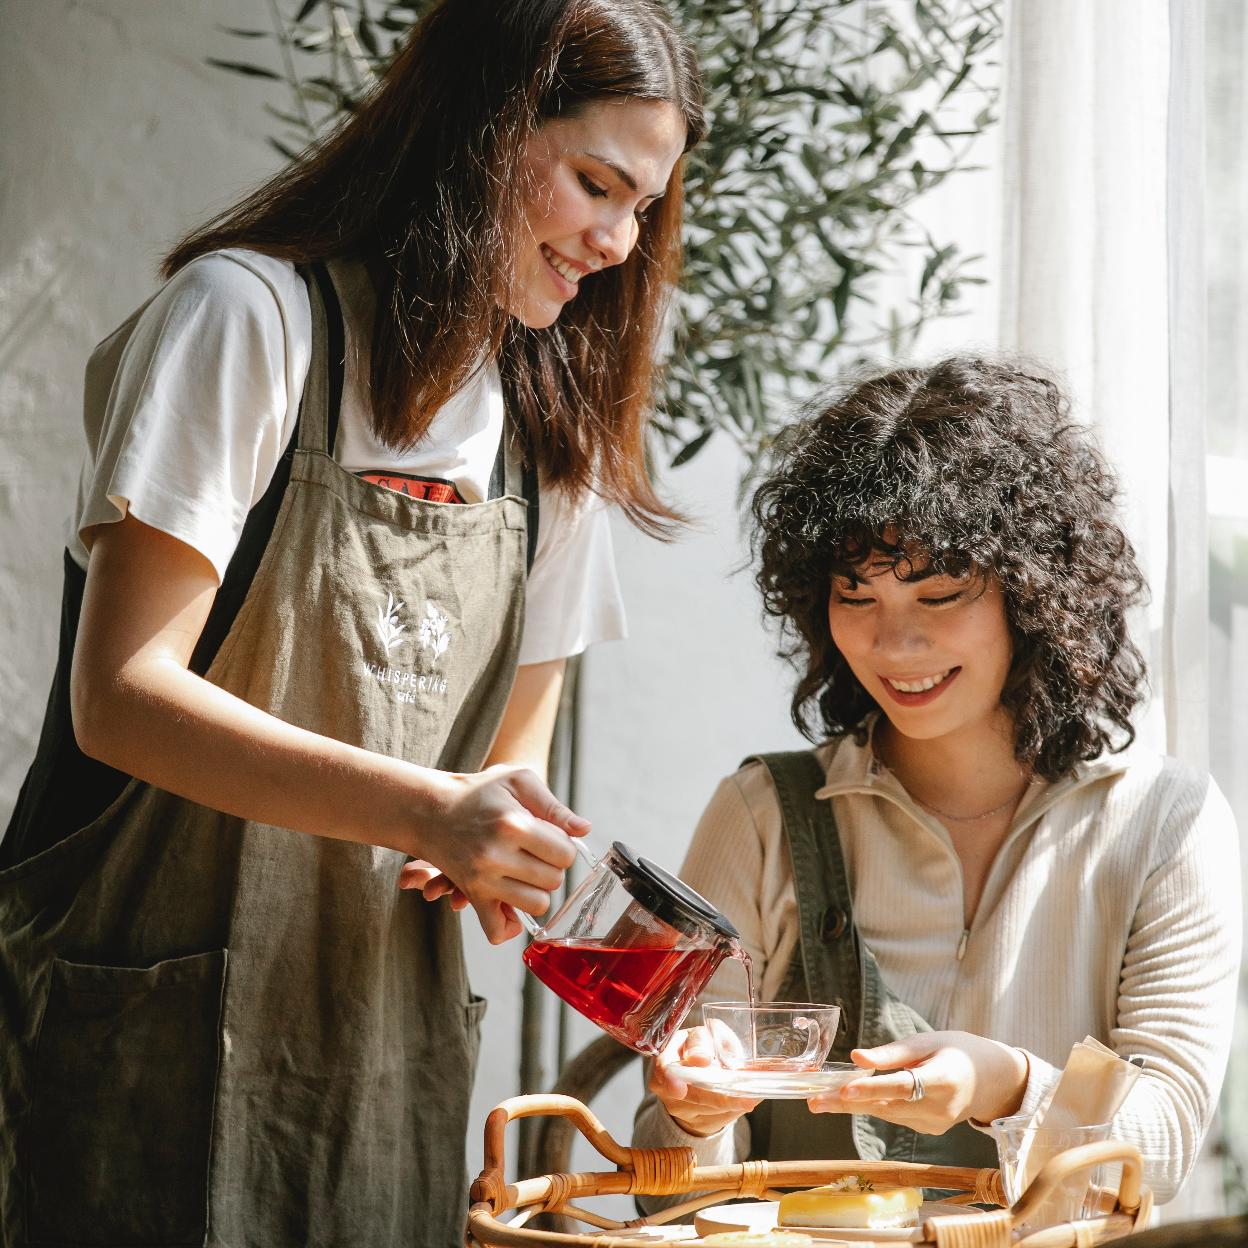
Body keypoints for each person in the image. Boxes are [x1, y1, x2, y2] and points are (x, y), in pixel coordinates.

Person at [0, 2, 703, 1244]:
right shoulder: (248, 319)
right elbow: (120, 695)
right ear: (482, 129)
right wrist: (429, 811)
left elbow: (509, 765)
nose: (617, 239)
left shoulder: (553, 437)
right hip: (134, 1043)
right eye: (597, 183)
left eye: (643, 207)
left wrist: (504, 849)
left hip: (376, 1055)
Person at [635, 356, 1241, 1206]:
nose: (894, 646)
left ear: (1034, 594)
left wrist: (1008, 1086)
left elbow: (1168, 1142)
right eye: (856, 596)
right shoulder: (762, 814)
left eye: (941, 594)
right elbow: (666, 1199)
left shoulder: (1165, 824)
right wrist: (695, 1116)